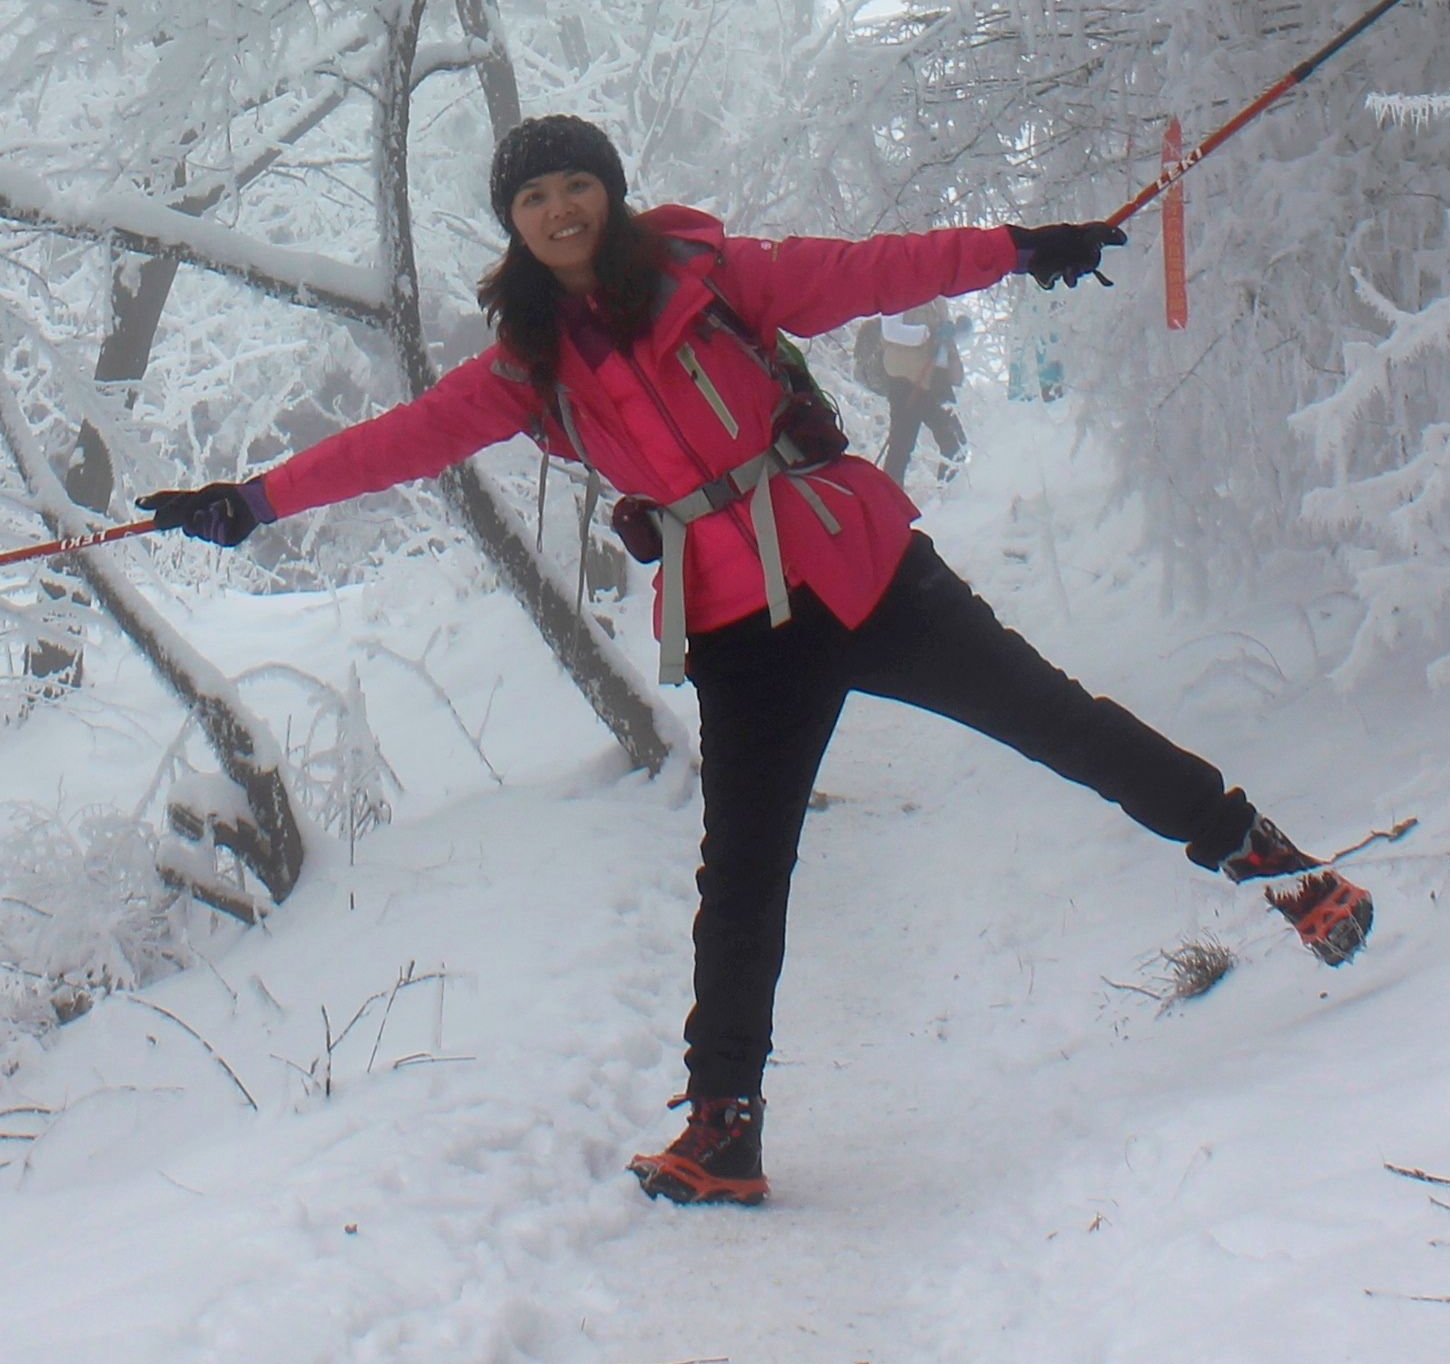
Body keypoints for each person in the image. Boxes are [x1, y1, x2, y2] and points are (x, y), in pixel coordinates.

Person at [138, 114, 1374, 1209]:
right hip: (735, 624)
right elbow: (401, 441)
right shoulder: (526, 365)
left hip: (861, 569)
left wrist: (1014, 245)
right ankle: (724, 1129)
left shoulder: (713, 276)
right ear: (512, 225)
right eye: (534, 198)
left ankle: (1280, 863)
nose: (560, 210)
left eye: (576, 186)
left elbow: (865, 272)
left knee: (1059, 723)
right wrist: (253, 500)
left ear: (608, 195)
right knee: (742, 876)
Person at [870, 309, 966, 483]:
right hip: (906, 380)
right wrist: (927, 334)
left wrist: (955, 331)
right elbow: (890, 331)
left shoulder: (936, 294)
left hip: (936, 376)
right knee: (901, 447)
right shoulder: (898, 291)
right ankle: (891, 503)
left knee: (956, 442)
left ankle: (950, 498)